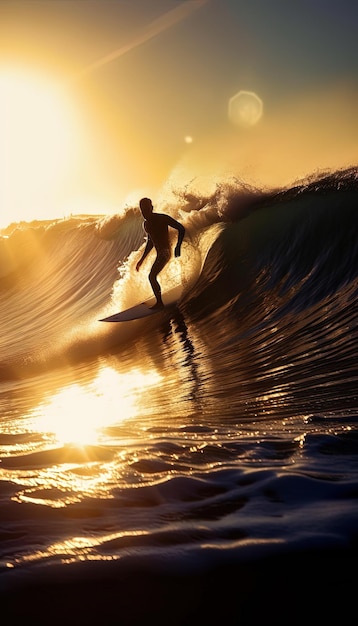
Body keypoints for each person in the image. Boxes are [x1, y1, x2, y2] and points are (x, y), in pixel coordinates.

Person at [136, 197, 185, 308]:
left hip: (165, 252)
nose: (144, 213)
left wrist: (178, 246)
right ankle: (159, 300)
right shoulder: (146, 224)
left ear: (151, 208)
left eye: (146, 210)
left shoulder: (162, 218)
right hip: (160, 253)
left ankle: (159, 303)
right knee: (152, 276)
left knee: (152, 276)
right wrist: (142, 260)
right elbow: (150, 242)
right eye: (142, 211)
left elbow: (181, 228)